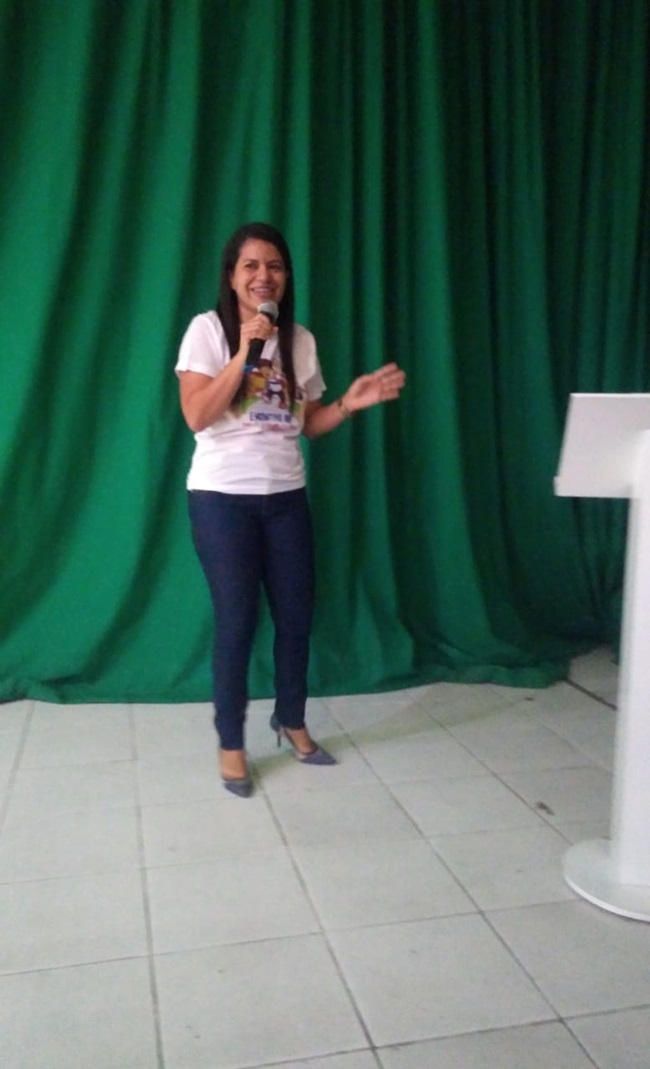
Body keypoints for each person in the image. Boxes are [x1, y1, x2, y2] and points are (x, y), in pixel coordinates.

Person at [176, 222, 405, 797]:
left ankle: (291, 718)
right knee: (237, 621)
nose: (264, 276)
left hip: (285, 499)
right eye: (251, 266)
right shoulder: (207, 330)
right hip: (221, 499)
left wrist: (349, 403)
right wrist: (245, 353)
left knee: (297, 617)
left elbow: (305, 423)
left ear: (286, 277)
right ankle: (231, 742)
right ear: (232, 277)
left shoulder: (299, 340)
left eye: (274, 266)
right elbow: (197, 415)